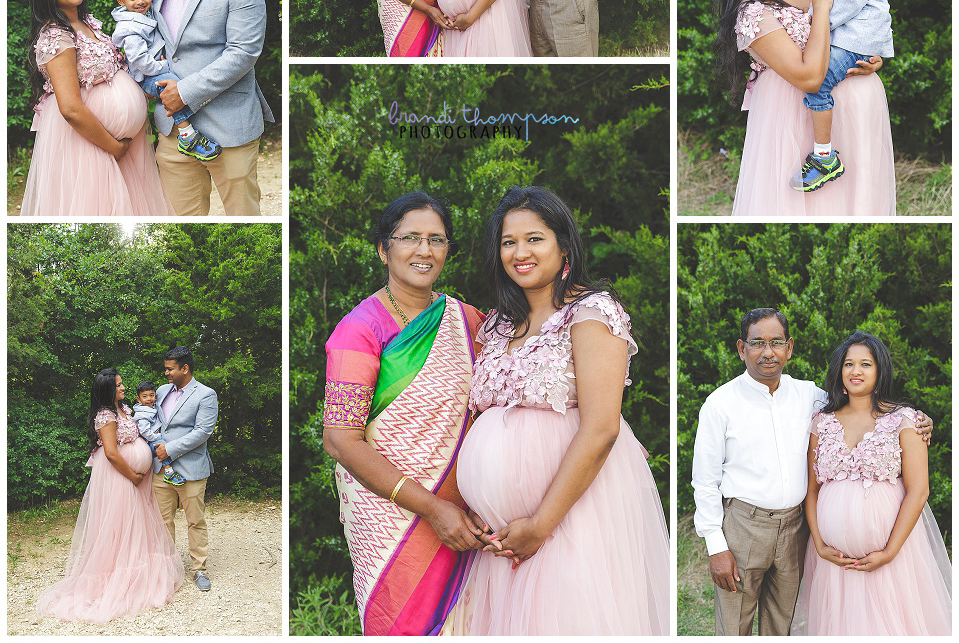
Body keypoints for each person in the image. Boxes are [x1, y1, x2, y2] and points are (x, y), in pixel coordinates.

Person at [445, 187, 669, 635]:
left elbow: (602, 428)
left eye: (535, 239)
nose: (520, 252)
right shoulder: (497, 323)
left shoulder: (592, 313)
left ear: (563, 246)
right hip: (501, 537)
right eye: (508, 242)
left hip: (570, 517)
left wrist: (540, 523)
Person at [691, 309, 933, 635]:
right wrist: (715, 545)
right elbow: (704, 480)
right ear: (741, 348)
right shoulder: (720, 404)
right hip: (744, 527)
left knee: (782, 624)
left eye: (776, 342)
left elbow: (858, 406)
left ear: (789, 348)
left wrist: (920, 420)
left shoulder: (810, 397)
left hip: (794, 530)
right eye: (757, 343)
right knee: (734, 625)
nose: (768, 352)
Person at [322, 192, 491, 635]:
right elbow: (340, 440)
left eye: (436, 239)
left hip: (465, 512)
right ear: (384, 248)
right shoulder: (358, 331)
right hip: (390, 515)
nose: (424, 250)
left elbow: (517, 387)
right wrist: (432, 509)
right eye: (410, 238)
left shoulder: (469, 321)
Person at [714, 0, 896, 216]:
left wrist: (871, 50)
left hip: (858, 110)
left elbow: (864, 2)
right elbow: (810, 77)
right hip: (794, 123)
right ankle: (822, 159)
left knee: (858, 204)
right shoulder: (753, 14)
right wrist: (821, 9)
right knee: (809, 209)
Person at [791, 332, 950, 635]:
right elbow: (811, 490)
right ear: (839, 370)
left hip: (892, 557)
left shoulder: (905, 421)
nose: (856, 371)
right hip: (834, 563)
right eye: (849, 364)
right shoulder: (821, 422)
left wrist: (889, 552)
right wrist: (820, 544)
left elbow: (919, 491)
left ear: (880, 371)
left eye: (866, 364)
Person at [20, 0, 172, 216]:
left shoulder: (87, 22)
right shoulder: (57, 35)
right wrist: (114, 147)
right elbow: (70, 108)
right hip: (91, 146)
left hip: (120, 145)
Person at [152, 0, 274, 216]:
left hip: (229, 124)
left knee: (243, 217)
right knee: (181, 222)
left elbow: (243, 53)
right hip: (173, 131)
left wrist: (185, 93)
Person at [37, 369, 184, 622]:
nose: (124, 388)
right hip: (120, 477)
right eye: (118, 386)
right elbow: (112, 453)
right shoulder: (105, 415)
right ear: (107, 390)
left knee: (136, 525)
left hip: (135, 478)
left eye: (122, 384)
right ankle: (117, 578)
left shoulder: (124, 409)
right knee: (119, 524)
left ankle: (139, 572)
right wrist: (133, 475)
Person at [790, 0, 894, 193]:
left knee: (818, 81)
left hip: (857, 40)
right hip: (854, 38)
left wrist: (817, 20)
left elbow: (853, 2)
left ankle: (824, 159)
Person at [111, 0, 221, 161]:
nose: (140, 1)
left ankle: (190, 130)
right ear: (121, 0)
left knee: (173, 85)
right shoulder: (130, 28)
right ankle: (187, 136)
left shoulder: (144, 16)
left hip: (150, 72)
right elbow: (139, 60)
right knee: (170, 84)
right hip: (144, 77)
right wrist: (162, 67)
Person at [151, 346, 218, 592]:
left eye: (170, 369)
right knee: (162, 521)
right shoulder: (160, 392)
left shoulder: (206, 394)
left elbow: (203, 432)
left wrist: (169, 449)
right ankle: (167, 569)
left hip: (191, 468)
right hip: (161, 469)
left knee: (195, 520)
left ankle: (198, 569)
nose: (166, 373)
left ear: (185, 368)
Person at [132, 380, 186, 487]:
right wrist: (158, 436)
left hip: (151, 441)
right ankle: (168, 472)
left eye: (151, 395)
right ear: (138, 399)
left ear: (155, 396)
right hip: (147, 444)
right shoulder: (142, 413)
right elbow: (144, 432)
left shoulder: (152, 408)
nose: (149, 399)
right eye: (145, 396)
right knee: (161, 445)